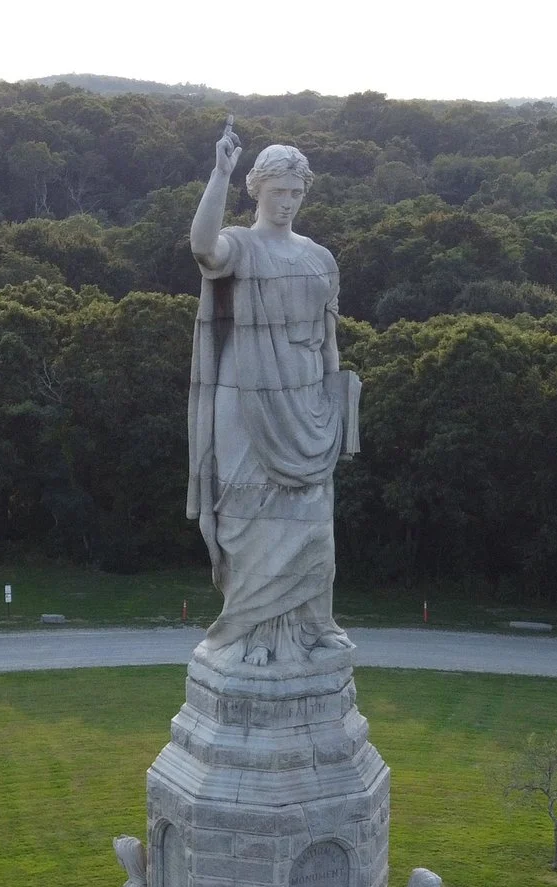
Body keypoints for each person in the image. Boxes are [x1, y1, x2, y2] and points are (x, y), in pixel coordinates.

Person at [185, 124, 359, 670]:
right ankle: (249, 632)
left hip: (308, 404)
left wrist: (335, 402)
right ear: (257, 190)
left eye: (296, 193)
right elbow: (202, 246)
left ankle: (312, 625)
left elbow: (329, 341)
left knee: (310, 521)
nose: (287, 202)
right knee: (247, 516)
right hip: (246, 399)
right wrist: (219, 174)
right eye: (278, 191)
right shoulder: (241, 246)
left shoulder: (320, 258)